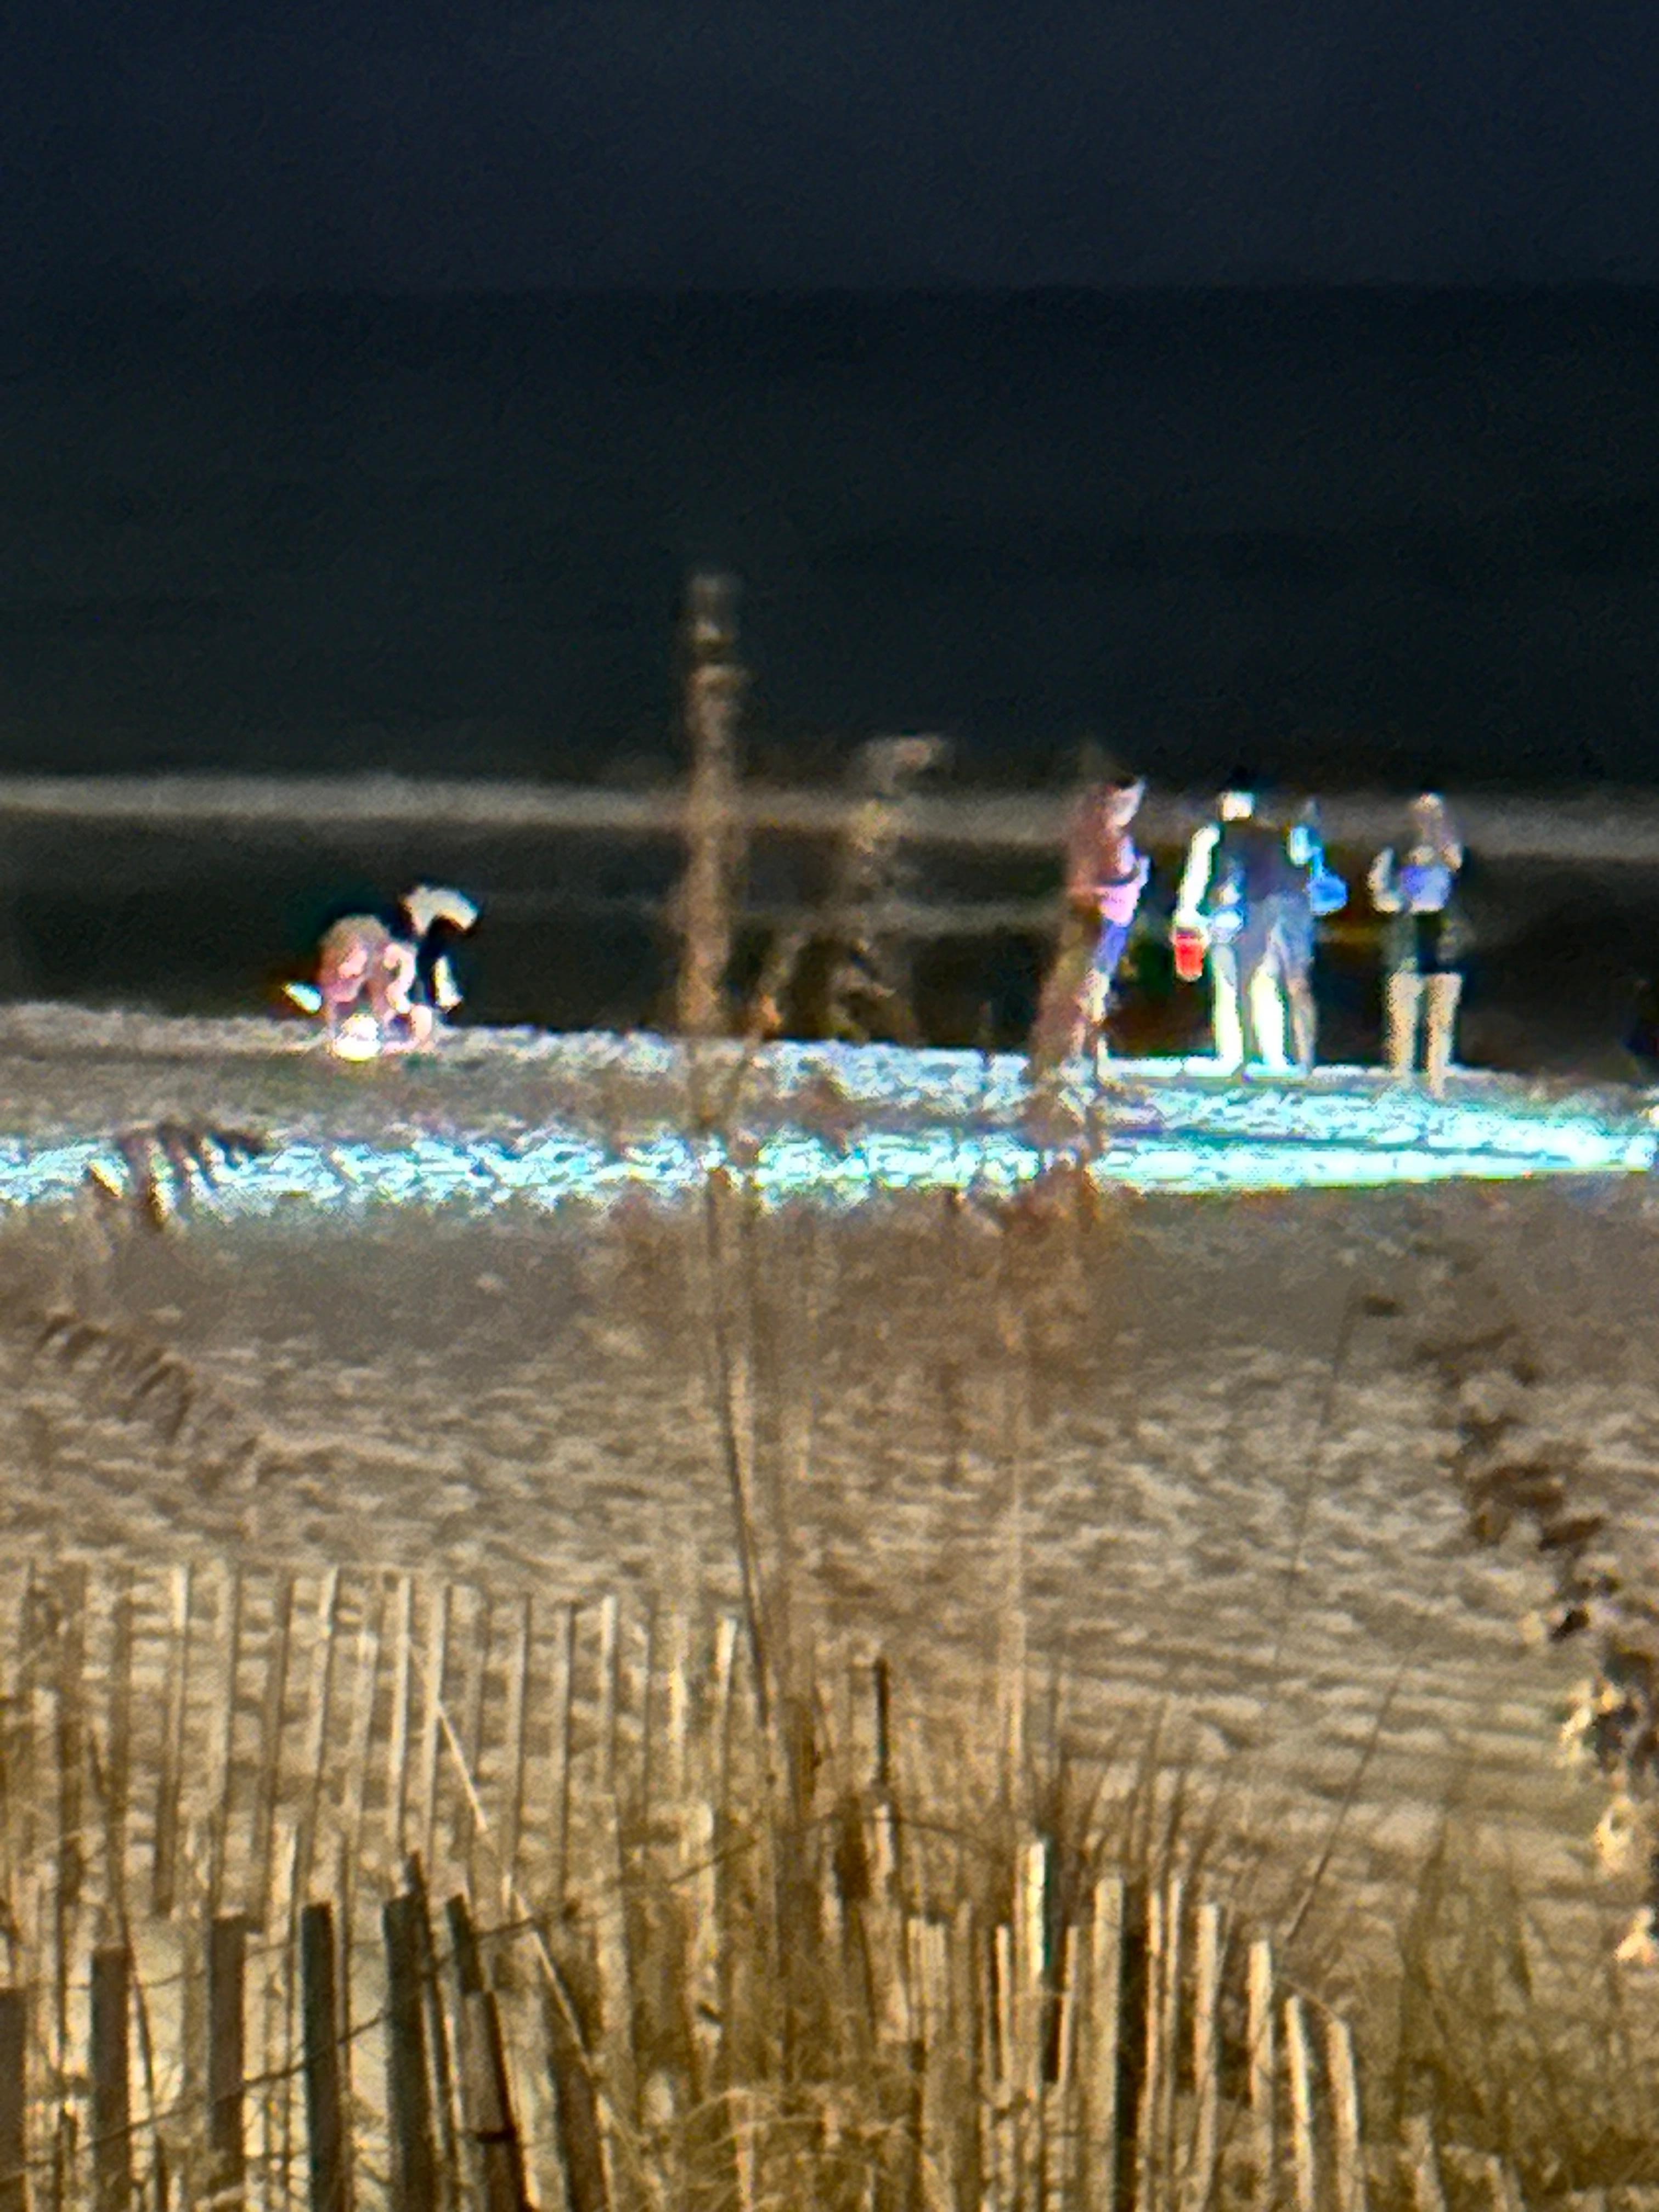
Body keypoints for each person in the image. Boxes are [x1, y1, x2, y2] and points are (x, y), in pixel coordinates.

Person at [1174, 778, 1306, 1073]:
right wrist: (1188, 917)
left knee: (1263, 982)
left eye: (1240, 800)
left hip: (1258, 917)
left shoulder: (1267, 836)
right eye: (1230, 799)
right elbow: (1196, 877)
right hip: (1221, 919)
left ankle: (1272, 1053)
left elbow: (1279, 880)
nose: (1234, 806)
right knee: (1227, 985)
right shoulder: (1211, 836)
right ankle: (1232, 1053)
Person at [1031, 773, 1150, 1075]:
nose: (1127, 808)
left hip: (1116, 923)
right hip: (1097, 920)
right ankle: (1069, 1057)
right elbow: (1081, 886)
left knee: (1096, 991)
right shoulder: (1094, 839)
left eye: (1132, 801)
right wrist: (1129, 880)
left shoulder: (1121, 839)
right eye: (1121, 801)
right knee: (1084, 990)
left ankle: (1091, 1057)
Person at [1368, 793, 1467, 1096]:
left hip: (1444, 940)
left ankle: (1437, 1080)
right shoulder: (1394, 852)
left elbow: (1467, 892)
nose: (1429, 818)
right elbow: (1379, 894)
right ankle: (1402, 1079)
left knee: (1441, 1018)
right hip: (1407, 936)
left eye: (1436, 810)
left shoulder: (1455, 854)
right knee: (1403, 1019)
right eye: (1423, 810)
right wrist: (1398, 898)